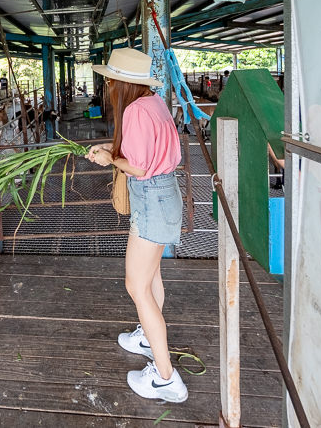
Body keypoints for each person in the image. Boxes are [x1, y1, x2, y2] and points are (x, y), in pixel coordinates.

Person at [86, 47, 188, 403]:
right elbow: (143, 156)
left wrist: (109, 159)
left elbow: (139, 168)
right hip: (165, 194)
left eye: (112, 80)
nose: (109, 85)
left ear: (122, 84)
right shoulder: (155, 102)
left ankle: (165, 378)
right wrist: (110, 152)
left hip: (151, 197)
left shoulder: (134, 111)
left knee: (137, 286)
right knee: (150, 276)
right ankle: (147, 337)